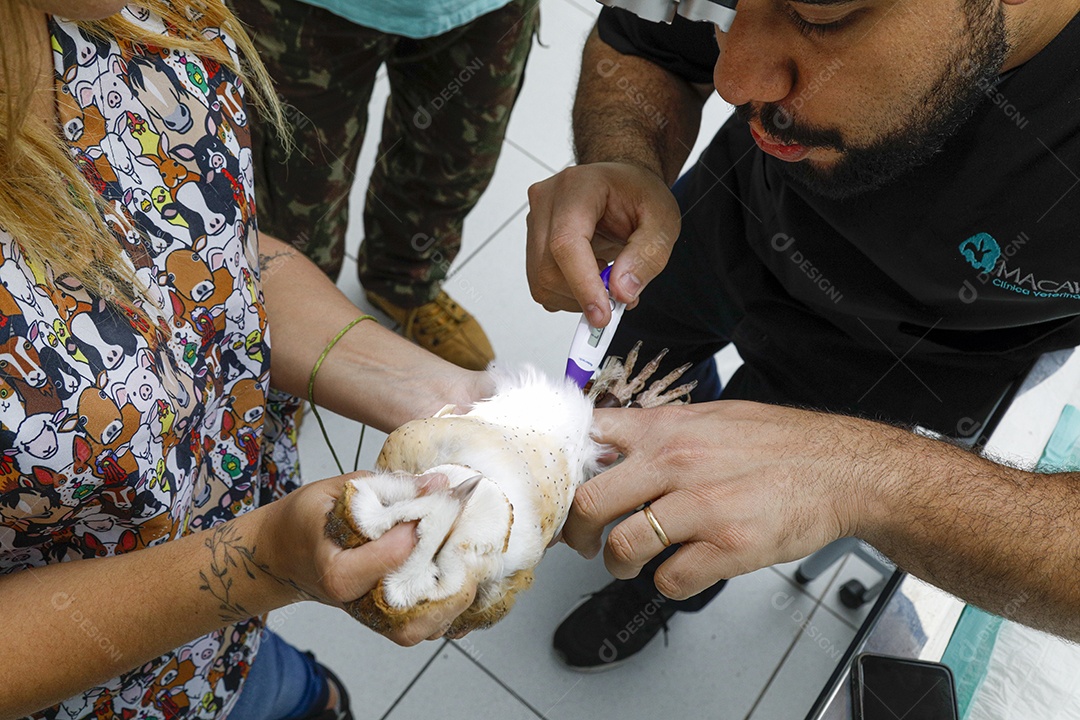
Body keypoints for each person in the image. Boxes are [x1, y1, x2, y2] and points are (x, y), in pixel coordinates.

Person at [525, 0, 1080, 670]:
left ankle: (654, 595)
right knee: (627, 390)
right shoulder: (755, 74)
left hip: (921, 356)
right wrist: (629, 158)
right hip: (732, 222)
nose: (734, 80)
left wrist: (867, 479)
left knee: (709, 528)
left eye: (820, 18)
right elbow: (651, 48)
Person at [0, 2, 488, 718]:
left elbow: (200, 246)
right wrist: (262, 562)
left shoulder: (131, 15)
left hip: (223, 633)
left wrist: (442, 396)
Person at [229, 0, 540, 371]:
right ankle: (301, 326)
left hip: (483, 8)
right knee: (295, 189)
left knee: (454, 159)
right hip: (305, 11)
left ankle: (404, 282)